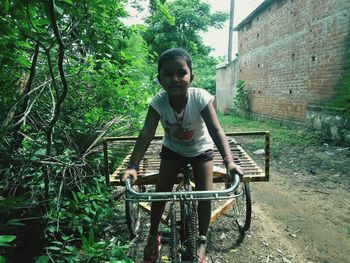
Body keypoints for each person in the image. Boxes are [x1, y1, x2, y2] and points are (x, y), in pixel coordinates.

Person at [121, 48, 243, 263]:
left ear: (191, 76)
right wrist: (132, 165)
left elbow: (216, 130)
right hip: (173, 150)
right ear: (159, 79)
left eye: (181, 73)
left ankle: (202, 241)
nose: (175, 79)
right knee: (161, 193)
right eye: (168, 74)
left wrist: (229, 162)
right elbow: (147, 133)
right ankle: (152, 237)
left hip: (201, 151)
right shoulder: (158, 102)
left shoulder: (200, 98)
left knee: (205, 195)